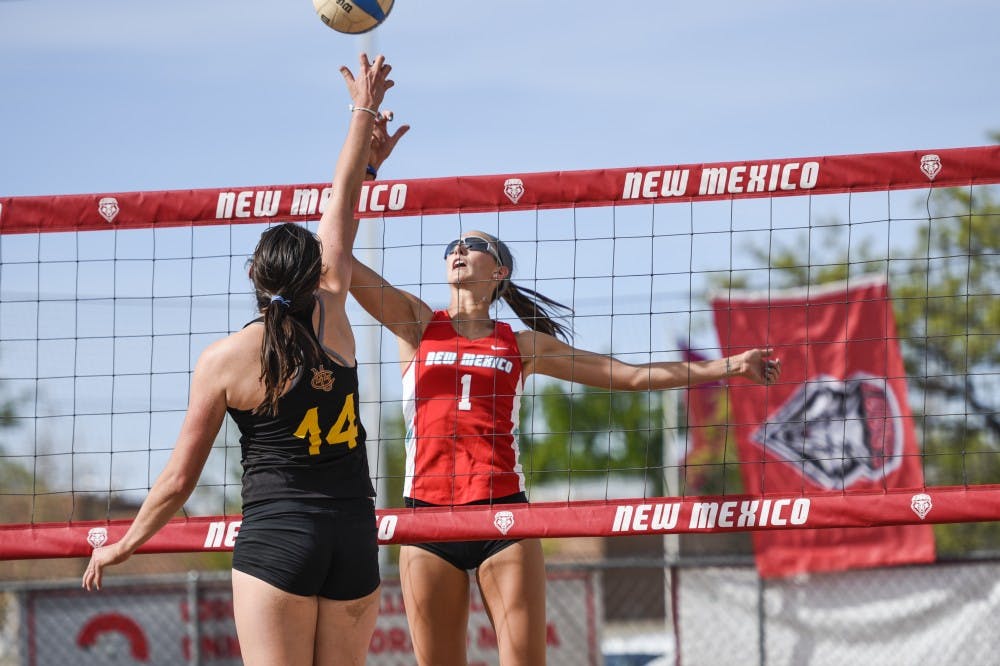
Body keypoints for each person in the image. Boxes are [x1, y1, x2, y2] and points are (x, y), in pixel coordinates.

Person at [82, 53, 406, 666]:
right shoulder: (334, 312)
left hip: (280, 535)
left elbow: (179, 482)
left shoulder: (225, 360)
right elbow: (339, 209)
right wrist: (362, 122)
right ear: (317, 275)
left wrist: (124, 544)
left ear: (254, 275)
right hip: (353, 534)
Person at [349, 218, 782, 662]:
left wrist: (728, 367)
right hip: (427, 518)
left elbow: (629, 376)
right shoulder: (418, 325)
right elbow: (339, 260)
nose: (458, 248)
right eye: (453, 244)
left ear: (500, 272)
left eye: (474, 244)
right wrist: (365, 172)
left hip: (502, 516)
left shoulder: (522, 345)